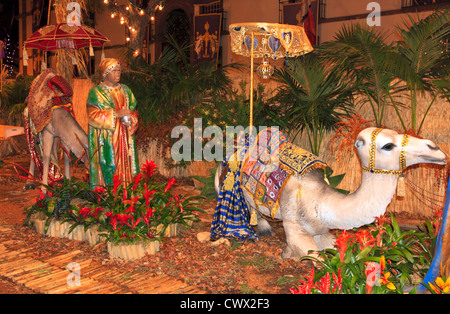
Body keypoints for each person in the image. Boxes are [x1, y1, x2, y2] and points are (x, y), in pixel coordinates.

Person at [87, 58, 139, 188]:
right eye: (114, 71)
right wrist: (116, 115)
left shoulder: (126, 90)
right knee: (110, 164)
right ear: (105, 73)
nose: (118, 73)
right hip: (107, 139)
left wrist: (132, 120)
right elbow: (92, 116)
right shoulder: (96, 92)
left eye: (119, 71)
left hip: (125, 137)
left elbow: (133, 111)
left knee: (126, 162)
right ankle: (110, 192)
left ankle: (127, 189)